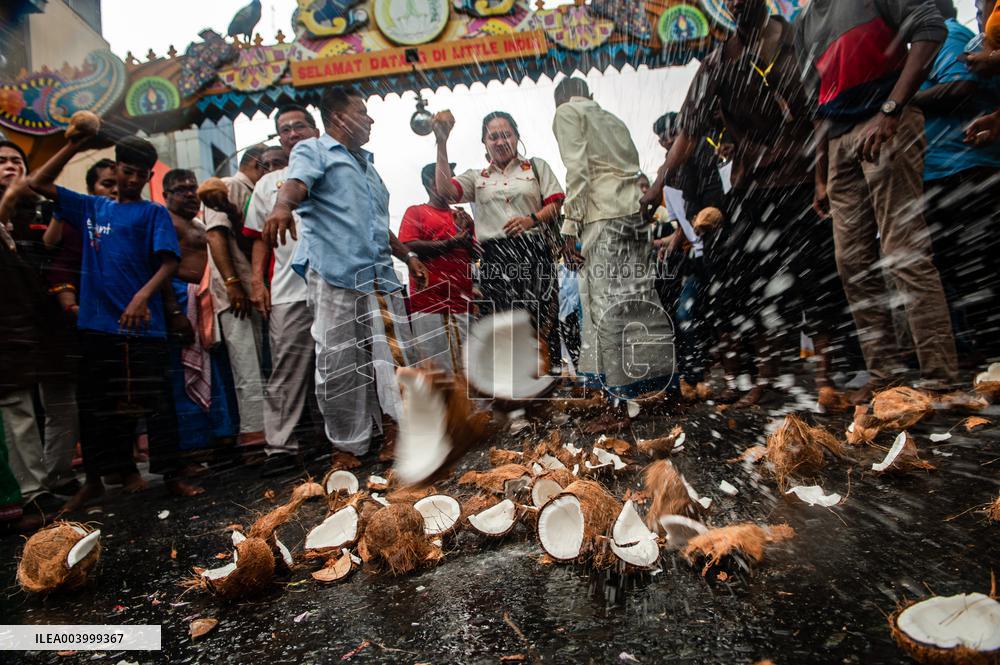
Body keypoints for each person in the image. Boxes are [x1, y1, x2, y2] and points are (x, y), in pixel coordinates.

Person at [644, 0, 849, 407]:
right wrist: (656, 188)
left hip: (808, 181)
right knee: (757, 289)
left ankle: (829, 380)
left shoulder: (800, 37)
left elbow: (824, 112)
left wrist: (824, 178)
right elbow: (688, 131)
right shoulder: (717, 64)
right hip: (753, 188)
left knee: (818, 279)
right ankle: (766, 380)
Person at [22, 130, 203, 510]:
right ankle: (94, 480)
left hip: (145, 325)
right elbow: (37, 182)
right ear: (116, 168)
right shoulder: (91, 207)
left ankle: (173, 475)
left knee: (158, 404)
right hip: (97, 324)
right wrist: (74, 145)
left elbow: (168, 261)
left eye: (141, 174)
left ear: (149, 176)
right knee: (96, 406)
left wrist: (141, 297)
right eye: (127, 171)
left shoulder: (152, 212)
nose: (133, 179)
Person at [795, 0, 959, 399]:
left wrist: (891, 109)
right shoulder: (804, 23)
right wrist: (820, 177)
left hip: (887, 125)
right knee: (852, 263)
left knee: (904, 251)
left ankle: (940, 379)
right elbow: (816, 102)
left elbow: (930, 29)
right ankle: (888, 382)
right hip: (838, 142)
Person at [262, 86, 429, 457]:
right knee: (339, 361)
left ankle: (397, 433)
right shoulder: (313, 150)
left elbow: (376, 225)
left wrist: (408, 257)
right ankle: (349, 444)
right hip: (335, 273)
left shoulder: (367, 166)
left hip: (379, 276)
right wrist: (281, 208)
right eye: (363, 111)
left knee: (394, 358)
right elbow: (296, 184)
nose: (370, 119)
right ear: (339, 117)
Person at [552, 77, 676, 399]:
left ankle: (620, 402)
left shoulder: (567, 112)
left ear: (561, 101)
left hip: (603, 218)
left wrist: (569, 229)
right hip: (633, 217)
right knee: (642, 301)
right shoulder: (613, 119)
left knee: (607, 310)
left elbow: (577, 173)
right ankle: (663, 389)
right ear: (589, 95)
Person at [432, 109, 566, 369]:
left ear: (516, 137)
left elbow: (556, 203)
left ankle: (546, 393)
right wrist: (441, 141)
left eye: (506, 134)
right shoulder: (477, 177)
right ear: (485, 143)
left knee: (539, 324)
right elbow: (446, 191)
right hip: (495, 259)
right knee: (500, 326)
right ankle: (511, 398)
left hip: (534, 254)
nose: (500, 141)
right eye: (493, 137)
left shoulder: (535, 167)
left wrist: (532, 219)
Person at [913, 0, 1000, 361]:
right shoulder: (961, 38)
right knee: (964, 268)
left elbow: (959, 88)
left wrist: (901, 101)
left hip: (961, 169)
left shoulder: (947, 36)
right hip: (950, 169)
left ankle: (992, 354)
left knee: (978, 267)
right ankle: (984, 354)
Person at [243, 105, 322, 472]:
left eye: (299, 127)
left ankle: (343, 439)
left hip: (335, 285)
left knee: (340, 363)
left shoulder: (333, 163)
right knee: (286, 370)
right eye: (285, 130)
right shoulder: (265, 184)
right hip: (288, 289)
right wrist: (257, 282)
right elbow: (259, 239)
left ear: (315, 129)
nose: (292, 134)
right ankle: (281, 447)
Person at [0, 141, 78, 511]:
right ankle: (32, 491)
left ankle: (57, 475)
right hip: (7, 318)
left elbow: (52, 249)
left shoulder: (42, 207)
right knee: (17, 405)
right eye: (1, 161)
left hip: (47, 316)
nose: (10, 166)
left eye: (16, 160)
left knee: (61, 398)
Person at [161, 168, 238, 460]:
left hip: (206, 301)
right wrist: (175, 310)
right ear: (166, 195)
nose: (190, 194)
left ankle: (221, 436)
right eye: (181, 189)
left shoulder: (197, 223)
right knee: (186, 373)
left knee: (216, 370)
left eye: (192, 187)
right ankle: (195, 446)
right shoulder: (165, 221)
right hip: (182, 301)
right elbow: (164, 265)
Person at [649, 112, 725, 399]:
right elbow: (682, 222)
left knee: (699, 314)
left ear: (681, 133)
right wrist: (666, 243)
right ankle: (690, 378)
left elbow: (708, 209)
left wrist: (685, 233)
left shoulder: (702, 154)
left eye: (669, 135)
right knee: (680, 314)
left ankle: (709, 377)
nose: (665, 142)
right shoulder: (671, 171)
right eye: (661, 139)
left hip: (716, 252)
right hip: (691, 257)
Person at [204, 144, 269, 453]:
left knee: (259, 364)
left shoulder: (250, 189)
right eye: (268, 166)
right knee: (247, 368)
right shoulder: (230, 186)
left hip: (250, 288)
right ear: (257, 164)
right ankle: (254, 437)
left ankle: (265, 432)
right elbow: (215, 234)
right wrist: (233, 283)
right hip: (236, 292)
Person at [398, 162, 477, 374]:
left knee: (468, 371)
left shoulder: (461, 216)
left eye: (452, 177)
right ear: (431, 183)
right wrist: (449, 243)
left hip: (462, 303)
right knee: (436, 372)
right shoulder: (416, 212)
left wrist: (466, 231)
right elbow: (407, 246)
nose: (452, 182)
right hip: (428, 305)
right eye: (446, 177)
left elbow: (477, 253)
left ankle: (472, 408)